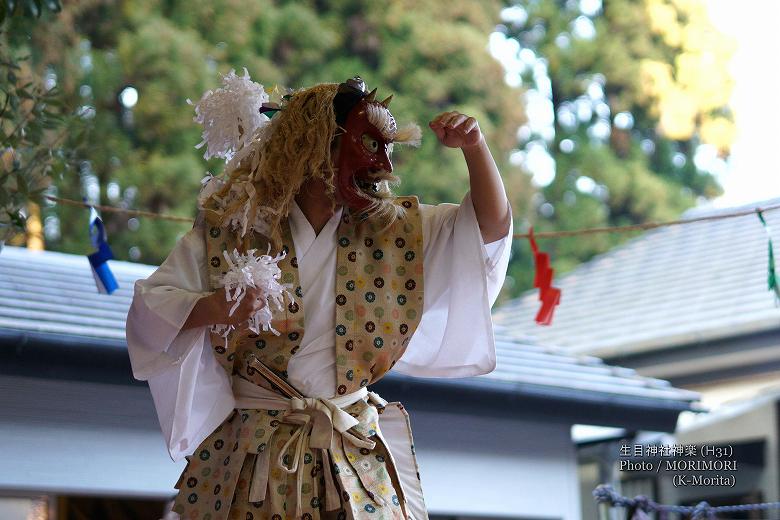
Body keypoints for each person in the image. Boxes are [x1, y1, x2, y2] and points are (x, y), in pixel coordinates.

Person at [126, 75, 512, 520]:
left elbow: (487, 230)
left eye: (388, 148)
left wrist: (476, 149)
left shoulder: (396, 229)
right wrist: (213, 307)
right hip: (254, 447)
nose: (384, 165)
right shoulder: (234, 228)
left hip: (351, 443)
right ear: (312, 147)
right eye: (370, 145)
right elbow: (150, 306)